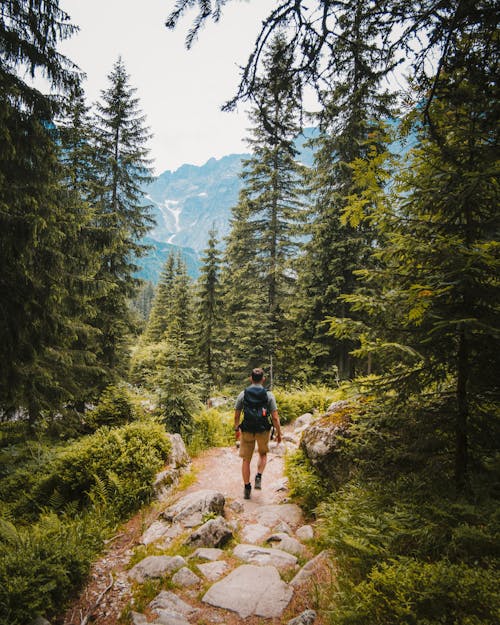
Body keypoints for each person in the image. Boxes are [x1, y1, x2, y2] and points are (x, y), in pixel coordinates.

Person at [234, 367, 282, 499]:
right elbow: (275, 418)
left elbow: (237, 415)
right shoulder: (269, 395)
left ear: (250, 378)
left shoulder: (243, 394)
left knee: (246, 460)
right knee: (262, 454)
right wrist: (279, 434)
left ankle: (247, 487)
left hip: (247, 430)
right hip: (263, 430)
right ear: (263, 379)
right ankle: (259, 476)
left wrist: (236, 429)